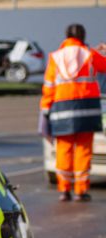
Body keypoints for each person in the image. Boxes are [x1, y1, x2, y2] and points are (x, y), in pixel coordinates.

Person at [41, 24, 106, 201]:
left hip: (61, 111)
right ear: (83, 36)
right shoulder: (90, 55)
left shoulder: (55, 57)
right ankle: (81, 190)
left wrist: (45, 110)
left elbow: (49, 87)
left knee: (64, 150)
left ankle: (64, 190)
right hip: (87, 111)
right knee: (83, 151)